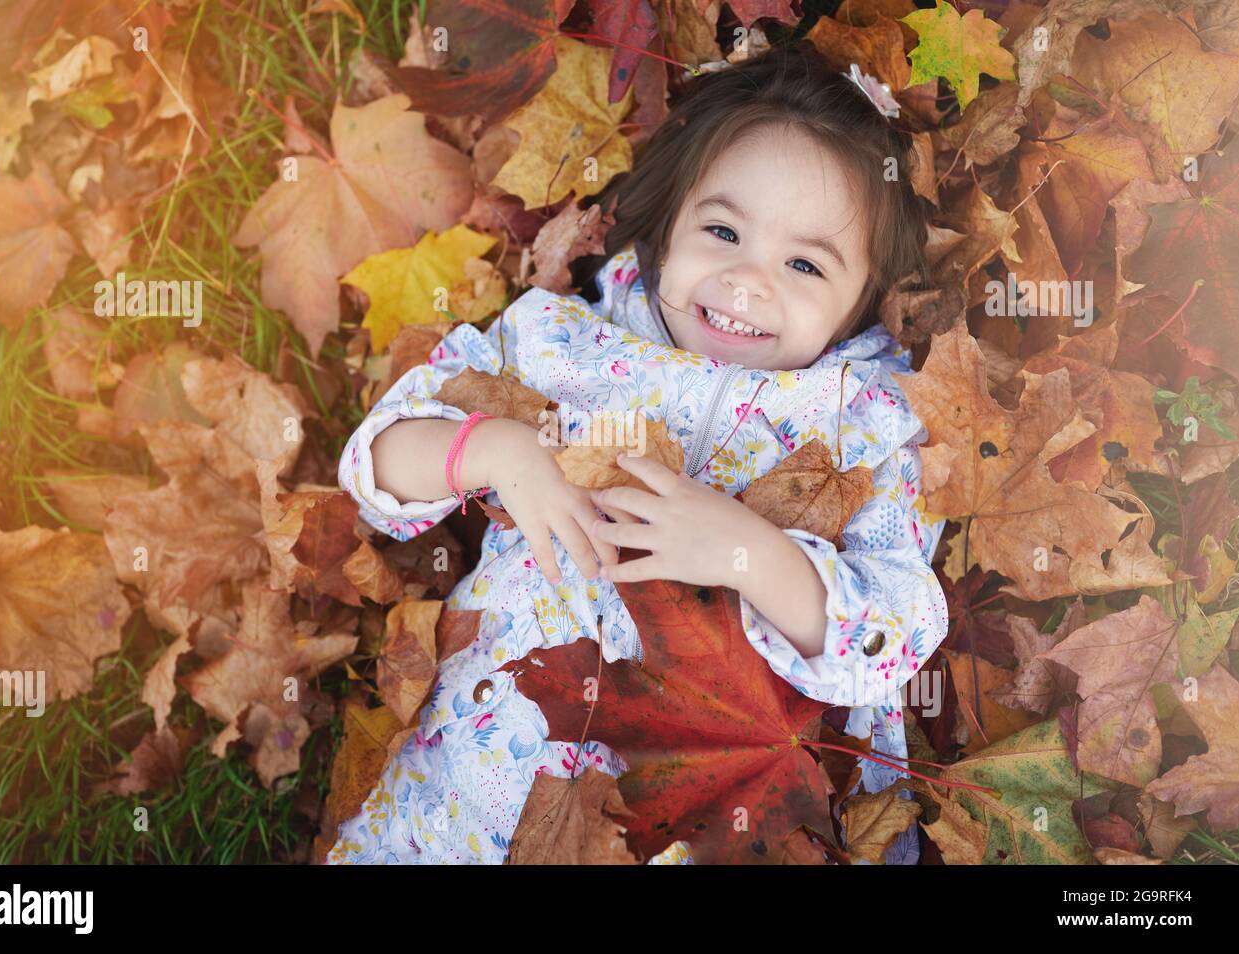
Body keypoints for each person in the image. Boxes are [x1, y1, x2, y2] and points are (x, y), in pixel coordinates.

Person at [327, 42, 947, 864]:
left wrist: (743, 552)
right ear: (668, 221)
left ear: (863, 298)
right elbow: (377, 463)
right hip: (479, 781)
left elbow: (896, 631)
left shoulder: (869, 426)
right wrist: (498, 452)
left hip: (700, 811)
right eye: (721, 229)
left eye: (804, 263)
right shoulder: (562, 343)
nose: (747, 280)